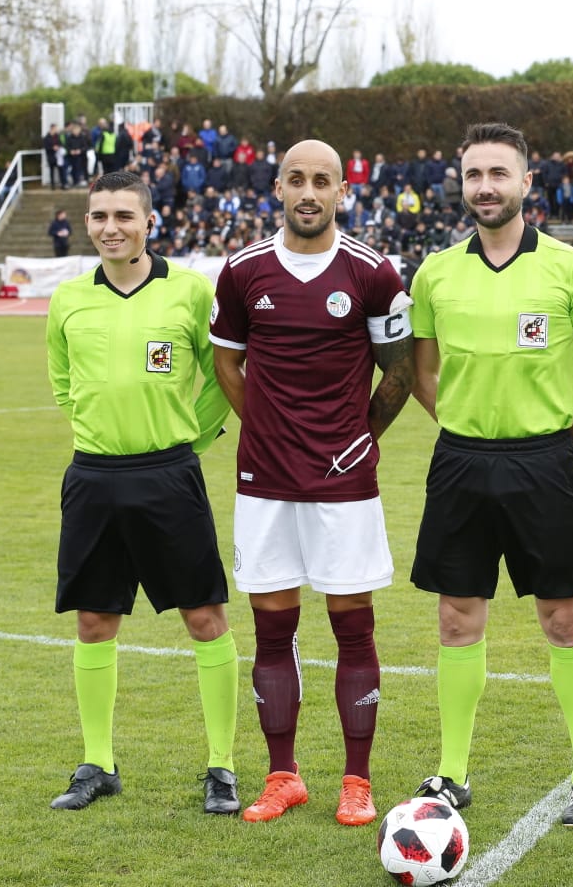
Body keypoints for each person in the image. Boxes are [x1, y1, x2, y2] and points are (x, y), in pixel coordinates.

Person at [408, 122, 573, 827]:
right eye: (474, 174)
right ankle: (453, 771)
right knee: (457, 616)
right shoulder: (436, 272)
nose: (485, 186)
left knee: (561, 617)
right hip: (461, 462)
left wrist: (557, 438)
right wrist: (466, 423)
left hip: (544, 463)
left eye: (499, 173)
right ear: (460, 183)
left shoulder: (570, 267)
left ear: (528, 183)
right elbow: (423, 373)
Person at [210, 140, 415, 827]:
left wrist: (356, 441)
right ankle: (283, 776)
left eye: (321, 181)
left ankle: (356, 782)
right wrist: (268, 430)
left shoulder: (372, 273)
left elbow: (400, 372)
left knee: (351, 627)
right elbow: (229, 367)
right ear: (277, 187)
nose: (308, 191)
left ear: (341, 192)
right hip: (263, 479)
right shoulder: (242, 272)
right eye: (296, 179)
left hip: (344, 482)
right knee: (273, 629)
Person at [45, 170, 239, 815]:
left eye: (123, 216)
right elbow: (63, 377)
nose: (110, 228)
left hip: (169, 476)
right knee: (95, 620)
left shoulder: (188, 292)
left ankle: (221, 766)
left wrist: (196, 434)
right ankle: (97, 763)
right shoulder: (69, 299)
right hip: (94, 476)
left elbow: (222, 375)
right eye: (99, 216)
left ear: (148, 222)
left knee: (204, 617)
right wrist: (91, 424)